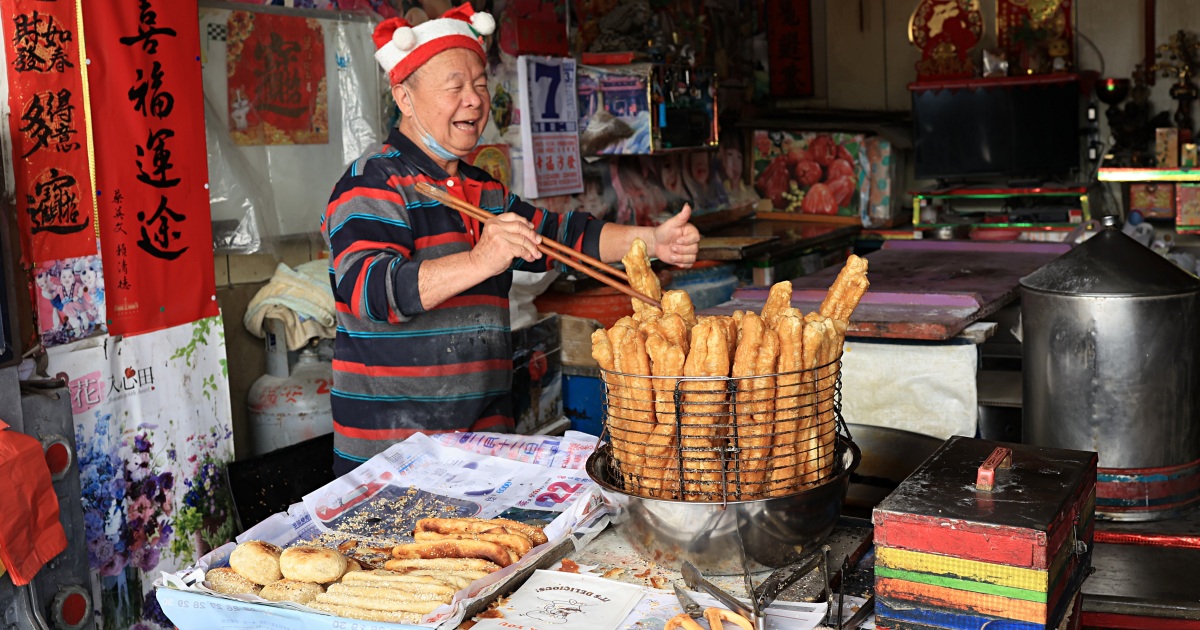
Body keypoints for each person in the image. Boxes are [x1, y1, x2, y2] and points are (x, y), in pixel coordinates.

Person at [321, 5, 700, 475]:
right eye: (454, 86)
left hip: (483, 447)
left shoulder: (487, 191)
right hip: (393, 460)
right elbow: (371, 291)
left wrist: (653, 240)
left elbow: (566, 238)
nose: (475, 100)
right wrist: (482, 259)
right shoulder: (370, 184)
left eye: (480, 84)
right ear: (404, 96)